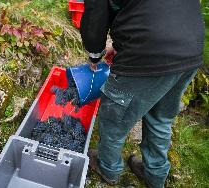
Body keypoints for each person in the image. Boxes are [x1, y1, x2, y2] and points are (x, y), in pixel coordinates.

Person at [80, 0, 205, 187]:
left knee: (114, 119)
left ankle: (108, 168)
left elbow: (95, 16)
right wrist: (123, 45)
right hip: (191, 51)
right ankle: (154, 175)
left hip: (147, 54)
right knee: (160, 118)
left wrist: (95, 55)